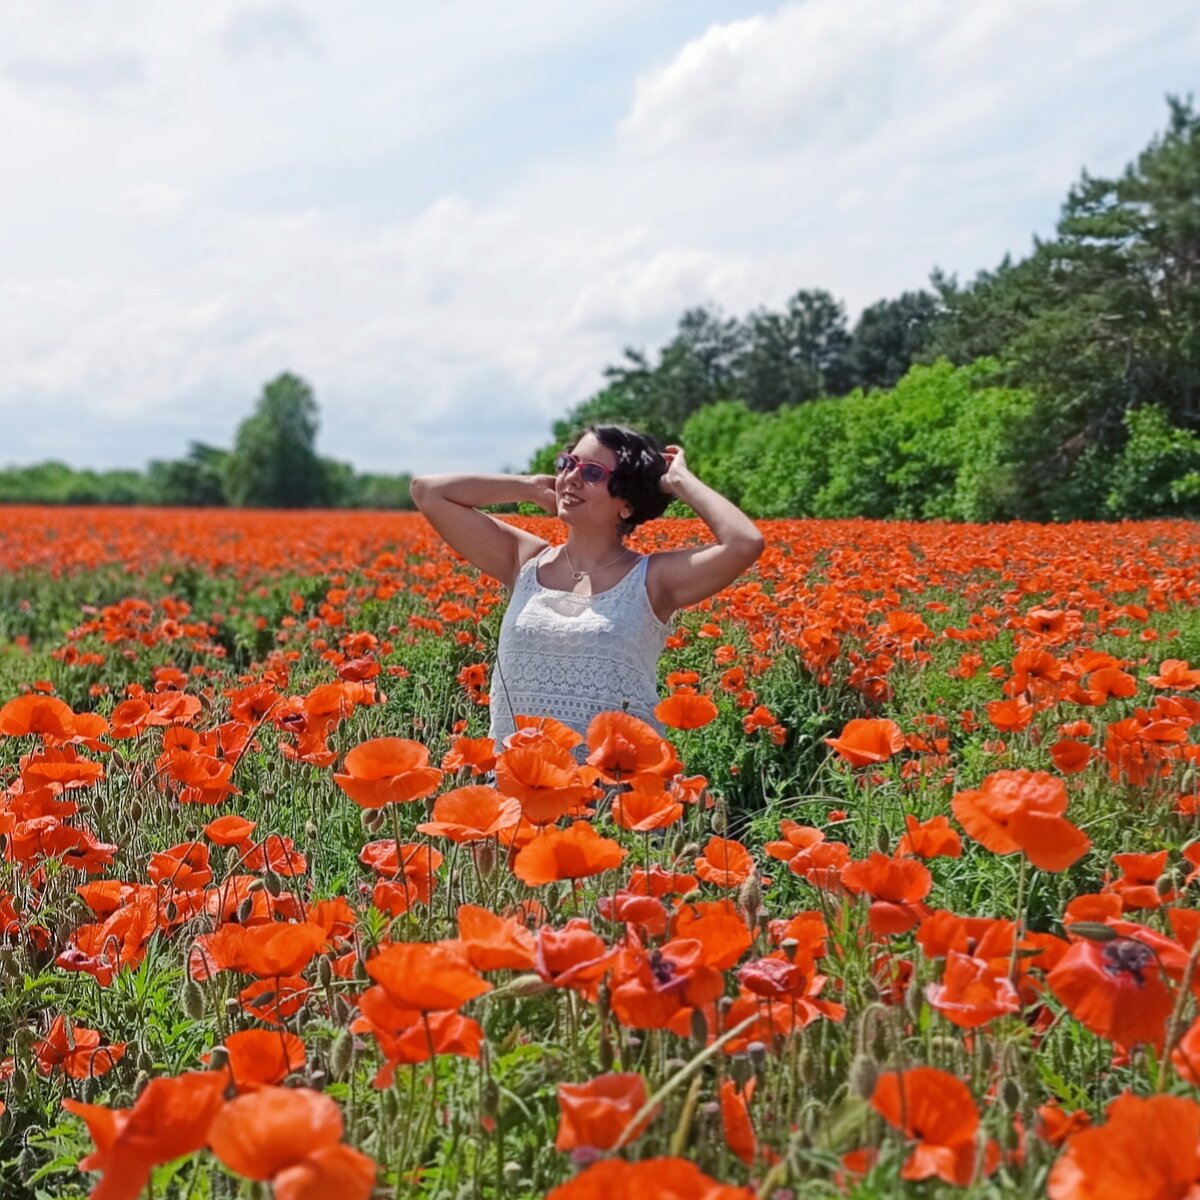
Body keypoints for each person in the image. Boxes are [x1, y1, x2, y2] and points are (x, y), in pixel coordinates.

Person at [410, 425, 764, 752]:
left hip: (614, 796)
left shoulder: (653, 579)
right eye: (568, 464)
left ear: (626, 505)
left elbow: (744, 543)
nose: (572, 477)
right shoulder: (524, 561)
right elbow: (428, 491)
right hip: (518, 785)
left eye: (593, 472)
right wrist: (532, 487)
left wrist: (679, 479)